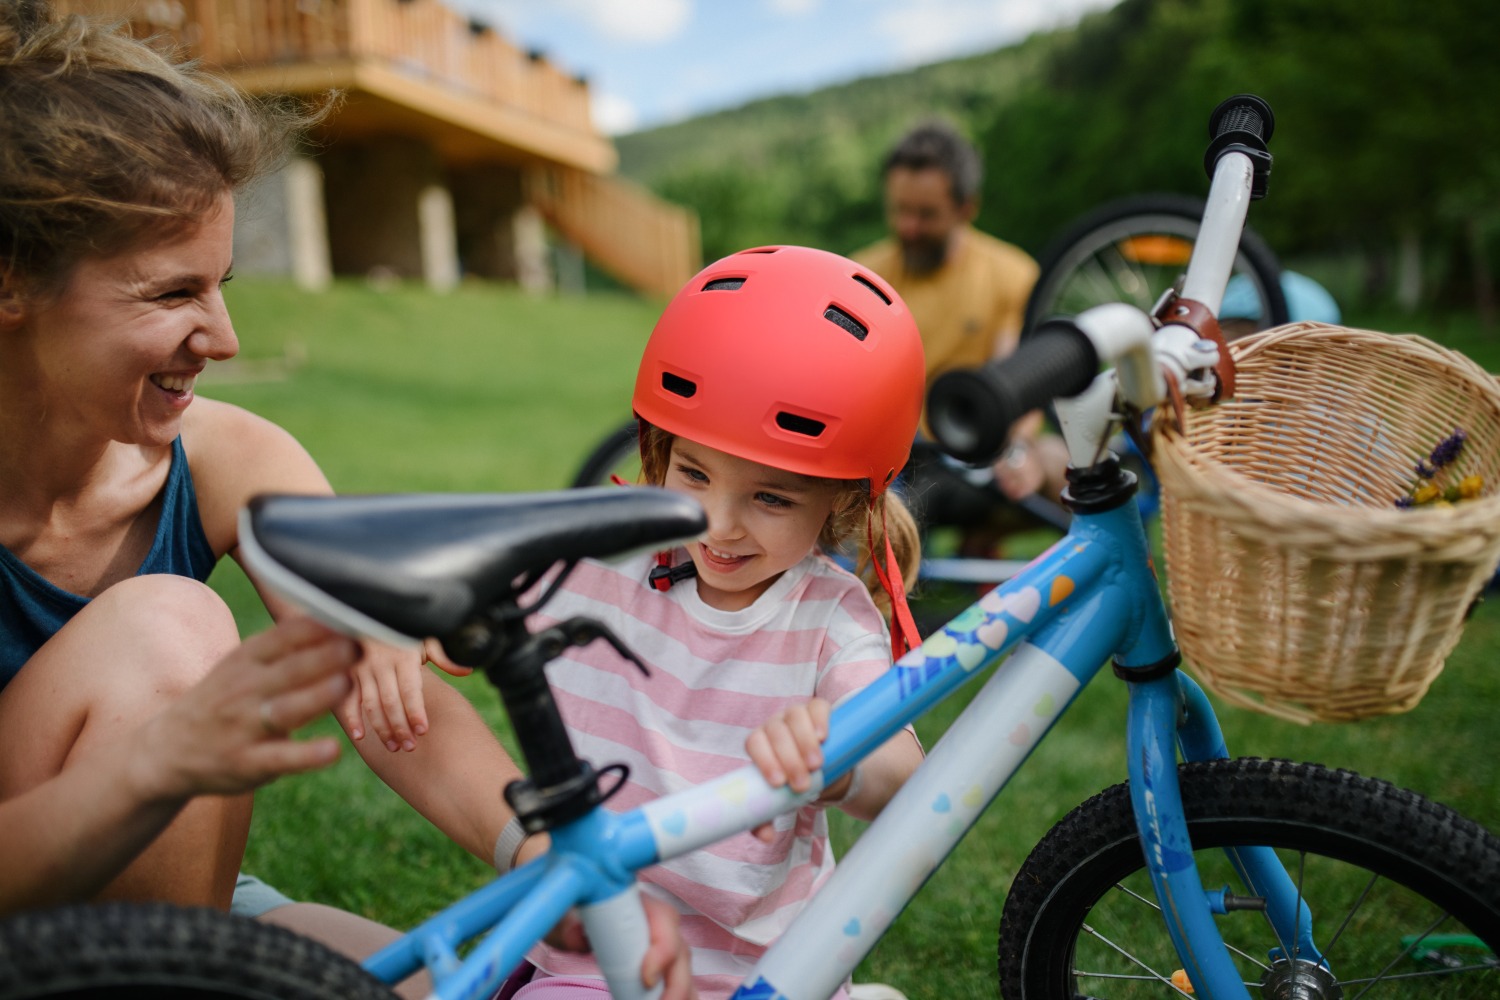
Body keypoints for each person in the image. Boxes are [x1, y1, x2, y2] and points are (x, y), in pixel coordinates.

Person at [0, 5, 692, 997]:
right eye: (170, 294)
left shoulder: (229, 461)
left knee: (468, 985)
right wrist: (157, 761)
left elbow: (396, 704)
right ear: (12, 282)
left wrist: (540, 858)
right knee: (170, 626)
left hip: (175, 900)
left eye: (223, 283)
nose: (226, 335)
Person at [481, 246, 925, 1000]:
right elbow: (472, 598)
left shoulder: (826, 614)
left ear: (842, 503)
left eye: (772, 499)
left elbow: (901, 774)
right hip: (596, 965)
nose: (718, 527)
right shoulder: (601, 560)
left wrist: (838, 756)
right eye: (694, 474)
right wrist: (408, 632)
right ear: (658, 453)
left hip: (777, 973)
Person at [853, 120, 1070, 546]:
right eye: (900, 210)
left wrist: (1019, 449)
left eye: (926, 214)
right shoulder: (860, 277)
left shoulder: (1011, 274)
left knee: (1064, 467)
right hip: (897, 467)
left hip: (985, 454)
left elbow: (1023, 378)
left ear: (965, 208)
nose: (909, 227)